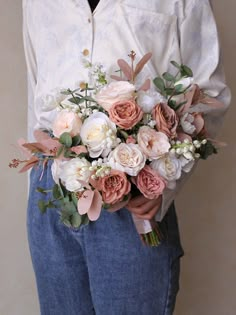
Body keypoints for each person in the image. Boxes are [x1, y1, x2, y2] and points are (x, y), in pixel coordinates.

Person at [23, 0, 231, 314]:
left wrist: (165, 184)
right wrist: (36, 184)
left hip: (133, 198)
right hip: (51, 196)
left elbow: (209, 91)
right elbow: (36, 88)